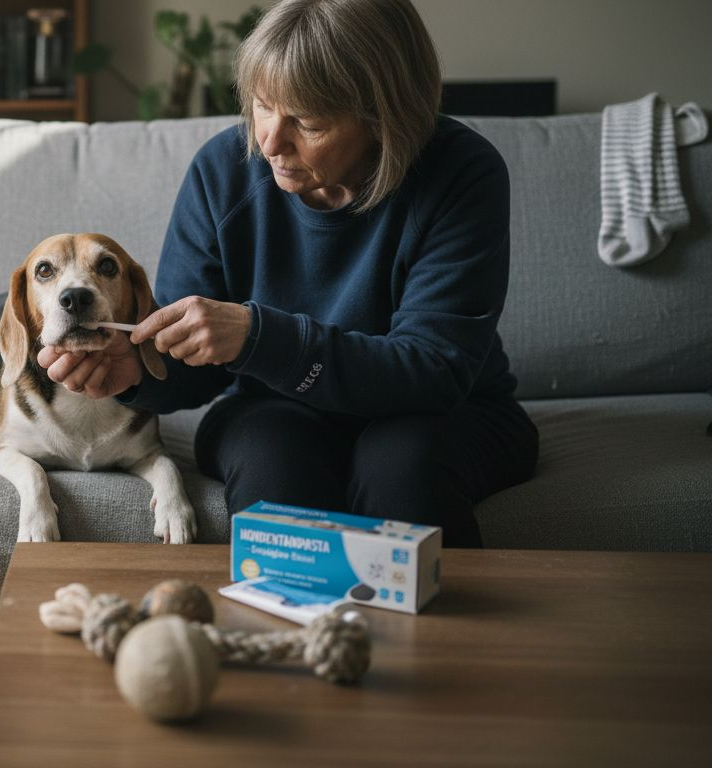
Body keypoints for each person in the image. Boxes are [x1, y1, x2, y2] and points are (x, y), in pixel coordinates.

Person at [37, 0, 538, 547]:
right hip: (274, 407)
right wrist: (133, 371)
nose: (270, 142)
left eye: (308, 121)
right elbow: (189, 362)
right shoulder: (221, 171)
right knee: (274, 467)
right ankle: (285, 633)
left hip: (444, 410)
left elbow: (434, 368)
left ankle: (431, 635)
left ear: (384, 115)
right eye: (262, 105)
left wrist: (259, 336)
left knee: (401, 472)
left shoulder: (462, 174)